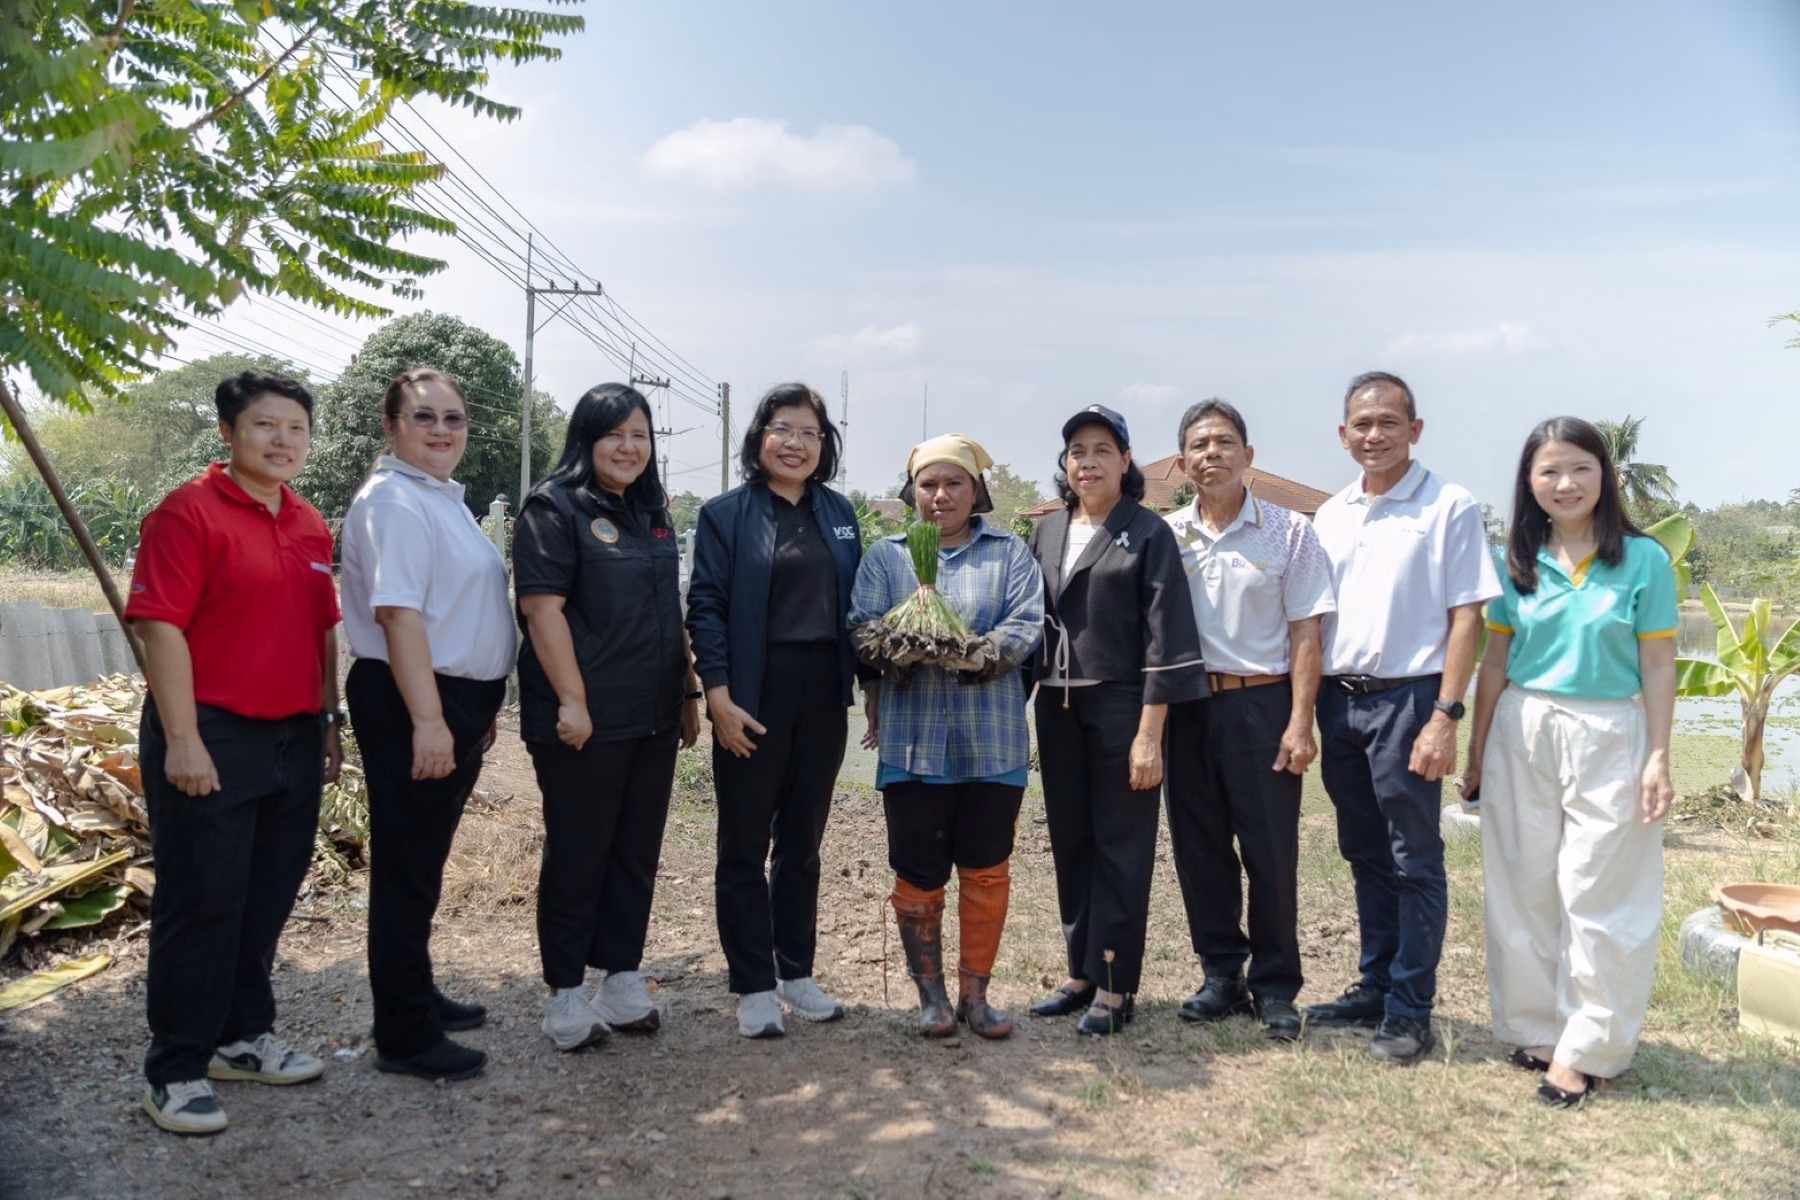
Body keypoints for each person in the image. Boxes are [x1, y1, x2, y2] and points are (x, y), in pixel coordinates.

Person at [127, 369, 343, 1135]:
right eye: (264, 426)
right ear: (228, 433)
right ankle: (176, 1069)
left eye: (295, 429)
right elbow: (161, 628)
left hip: (291, 733)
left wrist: (329, 720)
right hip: (210, 731)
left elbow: (323, 629)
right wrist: (183, 739)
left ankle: (242, 1038)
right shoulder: (187, 514)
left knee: (264, 898)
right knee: (203, 901)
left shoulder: (311, 523)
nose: (283, 441)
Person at [1464, 417, 1677, 1108]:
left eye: (1580, 468)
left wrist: (1659, 756)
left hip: (1612, 729)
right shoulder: (1514, 559)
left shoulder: (1644, 561)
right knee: (1522, 884)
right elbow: (1492, 662)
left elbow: (1657, 661)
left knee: (1599, 891)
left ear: (1603, 475)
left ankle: (1586, 1049)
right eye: (1549, 470)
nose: (1565, 483)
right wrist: (1475, 752)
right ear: (1529, 481)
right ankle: (1535, 1029)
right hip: (1524, 724)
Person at [1304, 371, 1501, 1064]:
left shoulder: (1448, 504)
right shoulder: (1331, 514)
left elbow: (1468, 614)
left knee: (1414, 856)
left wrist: (1446, 714)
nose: (1375, 435)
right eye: (1362, 424)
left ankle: (1411, 1007)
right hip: (1341, 700)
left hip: (1411, 699)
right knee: (1363, 850)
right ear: (1343, 434)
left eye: (1389, 423)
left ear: (1415, 430)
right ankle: (1374, 983)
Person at [514, 383, 701, 1053]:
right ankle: (565, 991)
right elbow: (543, 609)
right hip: (583, 720)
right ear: (586, 440)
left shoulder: (651, 512)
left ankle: (620, 975)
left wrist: (686, 693)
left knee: (634, 851)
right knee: (578, 851)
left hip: (651, 715)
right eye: (614, 434)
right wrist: (571, 699)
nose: (628, 447)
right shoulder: (552, 508)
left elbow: (668, 613)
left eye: (640, 436)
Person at [340, 369, 514, 1082]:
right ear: (391, 427)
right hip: (412, 698)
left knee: (424, 865)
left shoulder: (435, 499)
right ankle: (404, 1034)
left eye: (455, 418)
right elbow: (400, 616)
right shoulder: (394, 502)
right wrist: (430, 721)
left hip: (449, 700)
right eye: (424, 417)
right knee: (408, 869)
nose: (442, 430)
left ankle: (416, 994)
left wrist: (474, 712)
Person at [849, 435, 1045, 1038]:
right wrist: (897, 646)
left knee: (987, 870)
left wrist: (971, 654)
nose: (940, 496)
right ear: (912, 492)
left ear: (975, 490)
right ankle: (930, 997)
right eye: (928, 485)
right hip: (914, 746)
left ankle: (976, 995)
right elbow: (861, 625)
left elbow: (1025, 625)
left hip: (993, 742)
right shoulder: (888, 557)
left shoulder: (1010, 553)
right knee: (917, 872)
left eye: (954, 483)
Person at [686, 382, 864, 1039]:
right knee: (743, 843)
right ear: (759, 438)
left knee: (803, 844)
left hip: (822, 694)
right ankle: (754, 985)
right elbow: (704, 606)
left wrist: (870, 687)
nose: (795, 442)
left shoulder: (840, 514)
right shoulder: (726, 515)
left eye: (810, 432)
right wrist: (719, 696)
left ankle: (796, 971)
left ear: (825, 445)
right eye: (782, 429)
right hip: (753, 693)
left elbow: (859, 611)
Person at [1027, 404, 1206, 1036]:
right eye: (1077, 450)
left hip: (1122, 707)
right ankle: (1080, 972)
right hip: (1057, 706)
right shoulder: (1047, 531)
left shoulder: (1147, 533)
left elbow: (1166, 640)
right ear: (1065, 463)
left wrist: (1149, 736)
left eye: (1102, 449)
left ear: (1126, 461)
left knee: (1121, 848)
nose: (1088, 462)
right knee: (1071, 841)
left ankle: (1114, 984)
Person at [1162, 399, 1334, 1042]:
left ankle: (1276, 985)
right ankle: (1220, 974)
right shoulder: (1167, 535)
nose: (1214, 454)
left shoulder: (1290, 532)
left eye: (1226, 442)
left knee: (1269, 851)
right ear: (1182, 463)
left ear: (1248, 455)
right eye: (1201, 445)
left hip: (1262, 705)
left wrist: (1300, 722)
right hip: (1186, 707)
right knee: (1198, 847)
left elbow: (1307, 637)